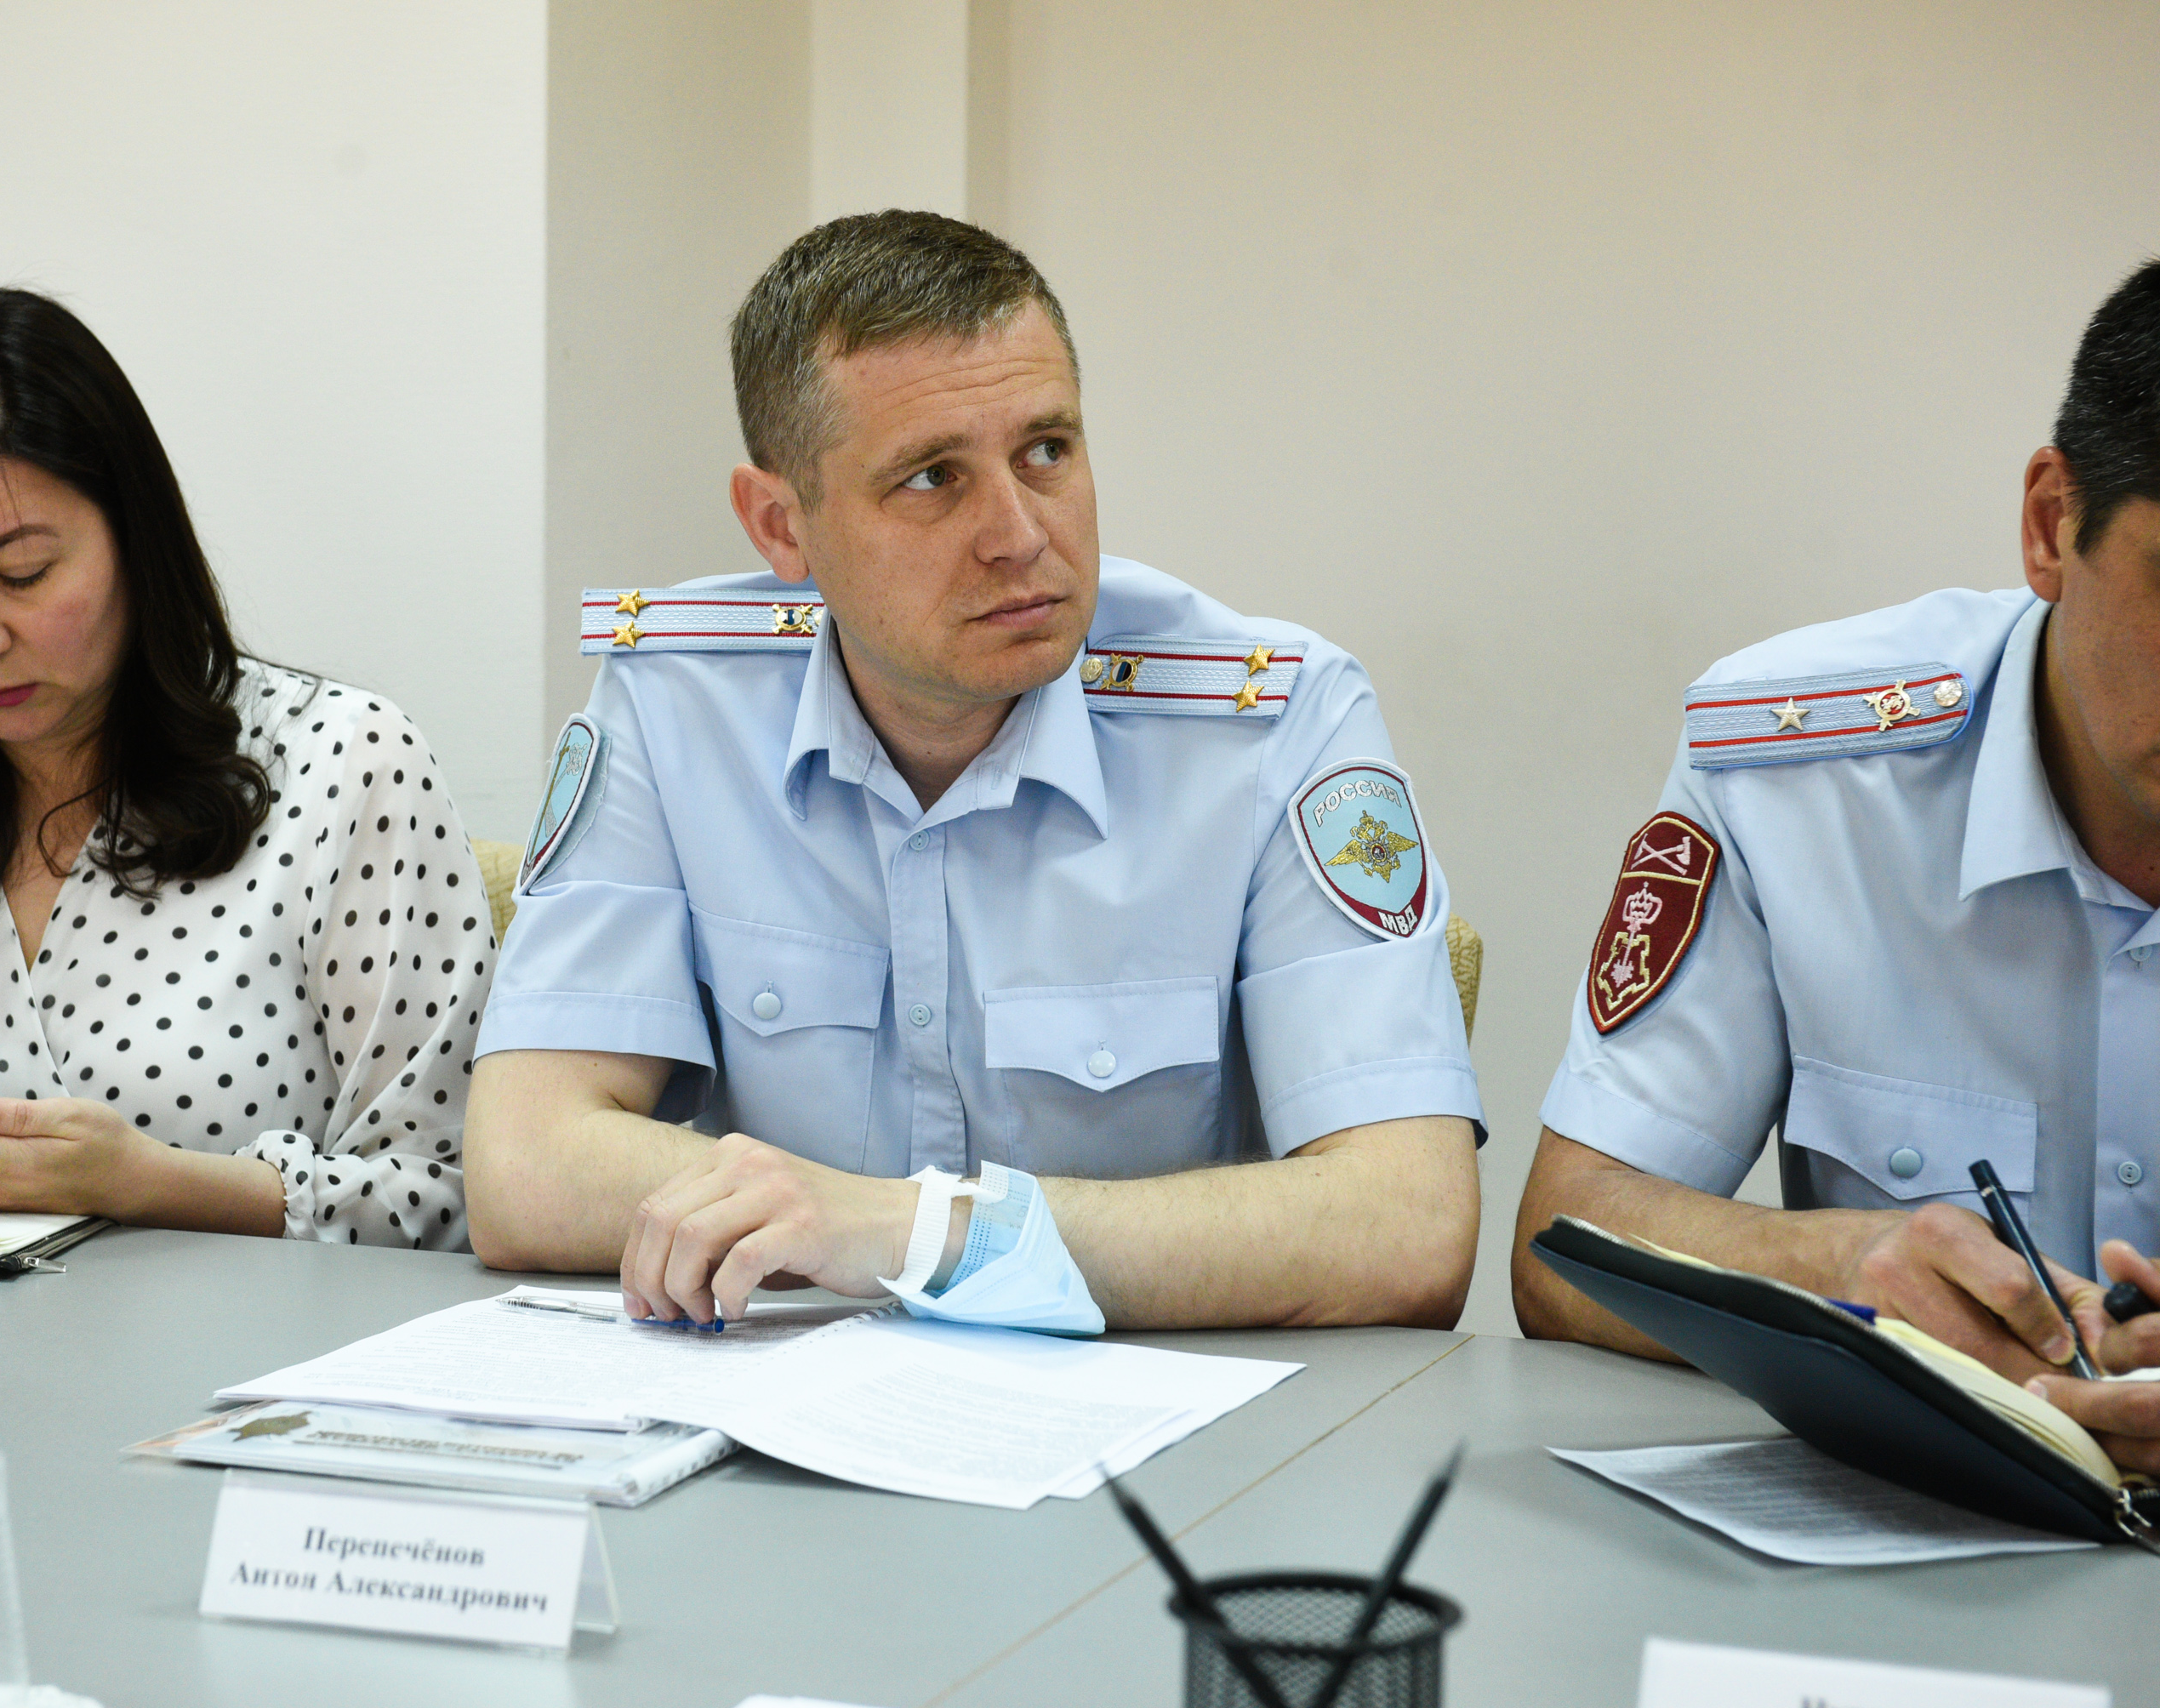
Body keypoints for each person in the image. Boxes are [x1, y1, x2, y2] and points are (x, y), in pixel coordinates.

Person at [467, 211, 1481, 1331]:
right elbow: (525, 1164)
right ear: (780, 525)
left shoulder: (1271, 722)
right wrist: (839, 1227)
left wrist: (913, 1232)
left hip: (1152, 1415)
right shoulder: (677, 703)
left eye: (1046, 451)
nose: (1018, 534)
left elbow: (1408, 1224)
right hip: (779, 1400)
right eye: (931, 478)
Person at [1513, 252, 2160, 1479]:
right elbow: (1567, 1239)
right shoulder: (1797, 777)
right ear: (2052, 524)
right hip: (1923, 1534)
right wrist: (1833, 1271)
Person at [0, 289, 496, 1250]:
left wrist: (149, 1184)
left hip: (236, 1342)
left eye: (22, 574)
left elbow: (452, 1195)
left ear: (133, 536)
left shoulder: (342, 765)